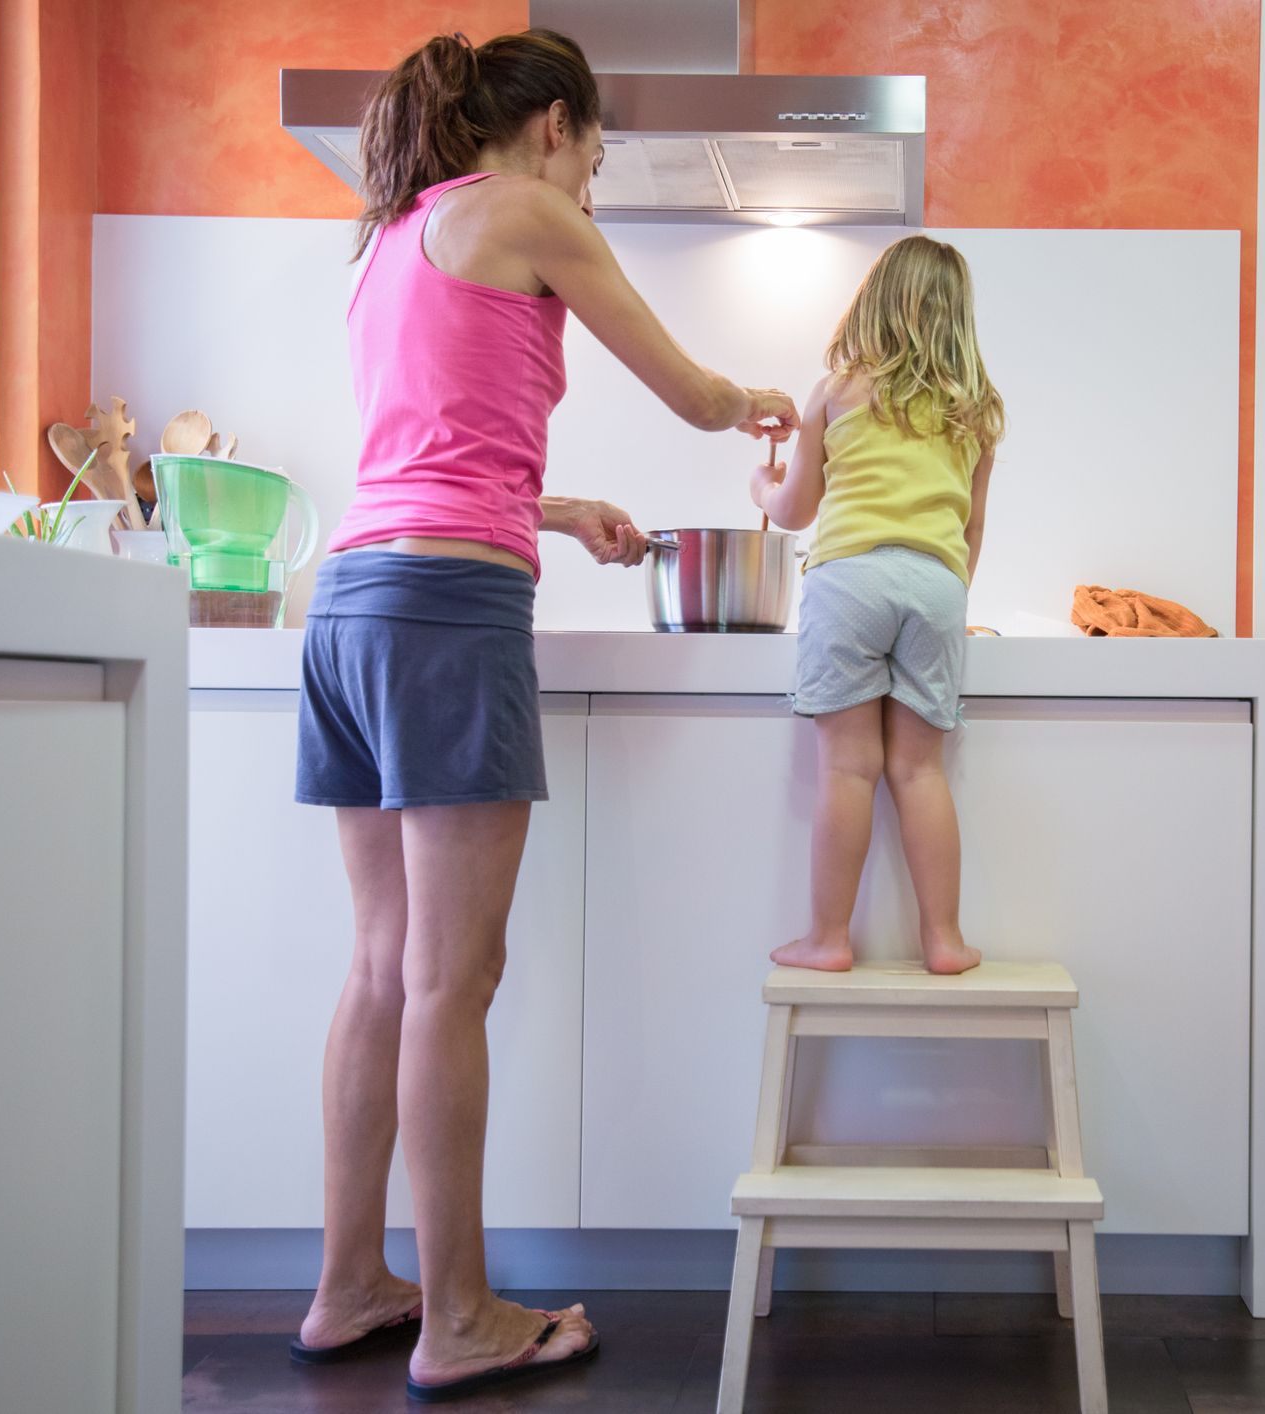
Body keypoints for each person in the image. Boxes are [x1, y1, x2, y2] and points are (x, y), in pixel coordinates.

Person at [286, 28, 797, 1403]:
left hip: (352, 601)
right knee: (454, 978)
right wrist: (763, 402)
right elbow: (691, 395)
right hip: (445, 616)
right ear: (558, 127)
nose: (591, 182)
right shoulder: (527, 210)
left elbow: (428, 450)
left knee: (386, 965)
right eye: (597, 155)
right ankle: (457, 1313)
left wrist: (555, 509)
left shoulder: (397, 234)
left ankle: (351, 1283)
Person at [750, 235, 1003, 978]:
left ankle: (828, 938)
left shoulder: (837, 389)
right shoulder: (977, 409)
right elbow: (971, 526)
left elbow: (795, 510)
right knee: (920, 771)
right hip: (935, 583)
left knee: (848, 770)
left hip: (849, 580)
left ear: (873, 301)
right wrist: (951, 597)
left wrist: (759, 490)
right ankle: (945, 940)